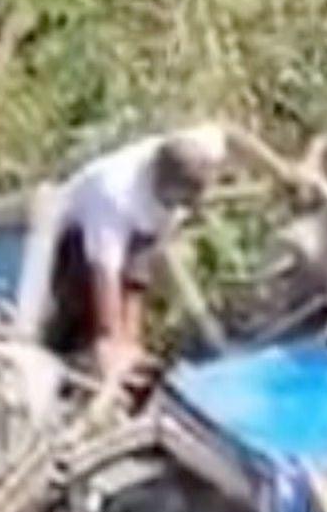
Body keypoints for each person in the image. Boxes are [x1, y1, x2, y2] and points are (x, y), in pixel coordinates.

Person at [24, 120, 266, 382]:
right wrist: (110, 341)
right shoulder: (114, 197)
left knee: (138, 276)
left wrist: (284, 172)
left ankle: (131, 350)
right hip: (70, 240)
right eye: (183, 201)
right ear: (162, 186)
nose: (190, 209)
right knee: (88, 320)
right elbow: (105, 275)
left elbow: (230, 133)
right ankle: (81, 357)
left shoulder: (197, 147)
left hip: (142, 231)